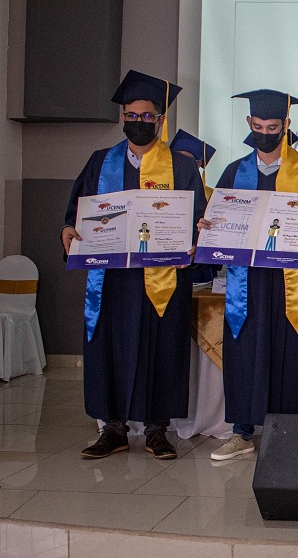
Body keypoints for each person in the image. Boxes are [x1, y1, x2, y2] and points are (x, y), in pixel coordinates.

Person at [62, 70, 207, 459]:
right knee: (109, 348)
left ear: (161, 120)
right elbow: (77, 212)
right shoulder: (100, 163)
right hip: (112, 280)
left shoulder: (181, 166)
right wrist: (68, 231)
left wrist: (197, 239)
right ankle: (113, 429)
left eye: (148, 117)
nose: (139, 123)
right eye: (132, 115)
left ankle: (158, 429)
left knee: (161, 347)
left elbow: (198, 217)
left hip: (161, 278)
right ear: (122, 116)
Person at [201, 89, 298, 461]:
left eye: (273, 126)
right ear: (249, 124)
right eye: (258, 126)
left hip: (292, 282)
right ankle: (242, 432)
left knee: (292, 352)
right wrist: (209, 227)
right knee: (246, 349)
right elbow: (223, 224)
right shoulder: (234, 172)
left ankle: (294, 433)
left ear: (286, 126)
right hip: (248, 283)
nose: (265, 132)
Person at [170, 129, 220, 283]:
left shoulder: (211, 195)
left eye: (186, 160)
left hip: (199, 269)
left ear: (198, 164)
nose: (180, 164)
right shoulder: (161, 191)